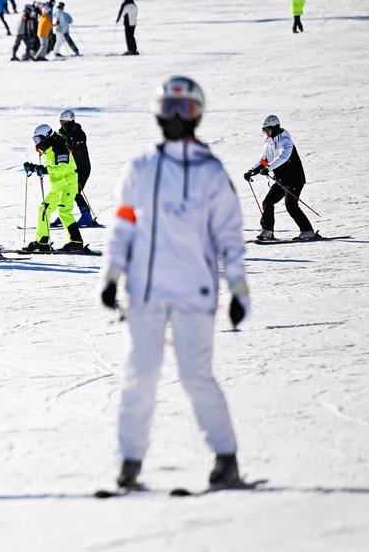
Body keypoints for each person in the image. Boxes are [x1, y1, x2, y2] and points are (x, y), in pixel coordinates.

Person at [100, 76, 250, 492]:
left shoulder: (211, 173)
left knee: (195, 376)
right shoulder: (142, 167)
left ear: (198, 115)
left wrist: (238, 289)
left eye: (186, 110)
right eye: (170, 109)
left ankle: (226, 458)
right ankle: (129, 463)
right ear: (157, 113)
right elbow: (123, 223)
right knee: (139, 375)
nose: (177, 118)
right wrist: (111, 274)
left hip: (194, 292)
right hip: (145, 291)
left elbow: (229, 236)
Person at [244, 115, 316, 241]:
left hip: (294, 179)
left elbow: (283, 158)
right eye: (264, 130)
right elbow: (264, 161)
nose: (266, 133)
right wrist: (252, 171)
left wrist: (268, 169)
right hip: (281, 180)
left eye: (267, 130)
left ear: (275, 128)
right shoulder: (269, 144)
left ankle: (308, 231)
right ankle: (267, 231)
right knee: (268, 202)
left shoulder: (286, 141)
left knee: (291, 205)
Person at [22, 124, 89, 253]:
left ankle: (76, 242)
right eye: (35, 140)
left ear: (46, 136)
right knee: (44, 209)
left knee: (64, 211)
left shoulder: (60, 147)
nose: (37, 143)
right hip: (57, 186)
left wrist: (44, 170)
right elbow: (51, 168)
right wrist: (34, 167)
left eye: (38, 139)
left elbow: (63, 167)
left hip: (68, 185)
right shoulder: (48, 148)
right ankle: (42, 242)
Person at [58, 109, 94, 226]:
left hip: (82, 168)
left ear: (70, 121)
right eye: (61, 122)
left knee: (75, 191)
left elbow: (78, 148)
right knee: (64, 190)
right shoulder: (62, 133)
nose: (62, 124)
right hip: (70, 168)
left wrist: (73, 146)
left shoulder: (79, 134)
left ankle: (86, 215)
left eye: (64, 122)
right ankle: (64, 214)